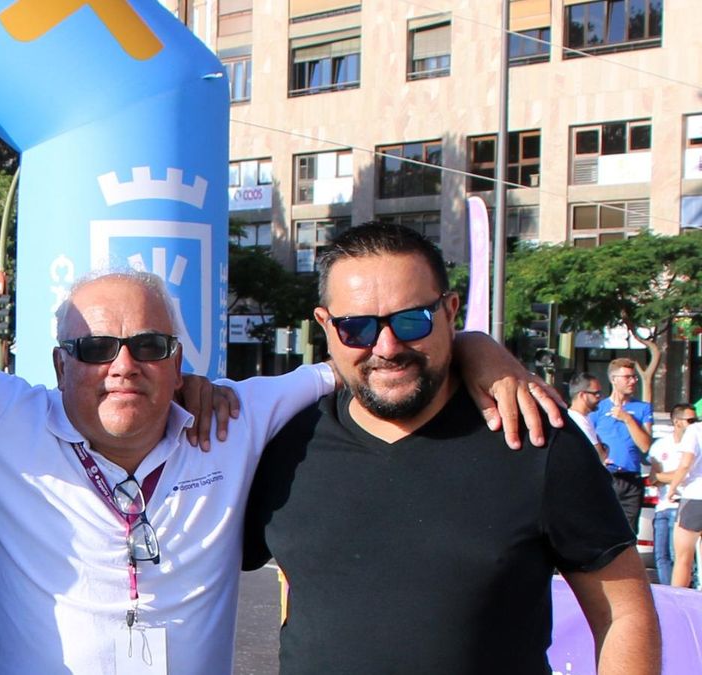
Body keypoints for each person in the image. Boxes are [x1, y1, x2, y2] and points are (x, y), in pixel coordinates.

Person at [0, 274, 561, 672]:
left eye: (150, 347)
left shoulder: (234, 416)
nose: (121, 367)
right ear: (58, 362)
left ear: (180, 357)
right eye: (93, 348)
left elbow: (360, 358)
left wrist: (482, 349)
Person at [244, 223, 659, 673]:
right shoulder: (281, 443)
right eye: (357, 327)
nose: (387, 346)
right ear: (326, 325)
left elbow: (624, 614)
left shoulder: (534, 437)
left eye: (411, 320)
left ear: (450, 312)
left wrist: (481, 348)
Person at [590, 357, 654, 534]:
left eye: (634, 377)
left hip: (631, 479)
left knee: (628, 534)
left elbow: (646, 445)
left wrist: (627, 418)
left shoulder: (643, 408)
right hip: (606, 477)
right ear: (613, 379)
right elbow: (587, 440)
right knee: (601, 530)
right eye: (627, 377)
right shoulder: (598, 408)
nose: (632, 381)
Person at [649, 404, 695, 584]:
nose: (694, 424)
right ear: (676, 422)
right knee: (661, 556)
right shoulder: (661, 445)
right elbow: (654, 477)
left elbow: (689, 472)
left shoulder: (694, 444)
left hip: (684, 505)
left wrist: (668, 476)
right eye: (690, 420)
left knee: (682, 557)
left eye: (696, 420)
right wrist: (678, 475)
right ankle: (667, 596)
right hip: (663, 505)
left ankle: (682, 596)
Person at [667, 406, 702, 589]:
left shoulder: (695, 431)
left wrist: (672, 488)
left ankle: (677, 598)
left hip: (695, 495)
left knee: (683, 557)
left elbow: (685, 464)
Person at [567, 372, 606, 462]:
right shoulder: (579, 421)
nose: (599, 397)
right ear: (582, 395)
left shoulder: (582, 418)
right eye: (596, 393)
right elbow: (600, 456)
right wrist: (604, 449)